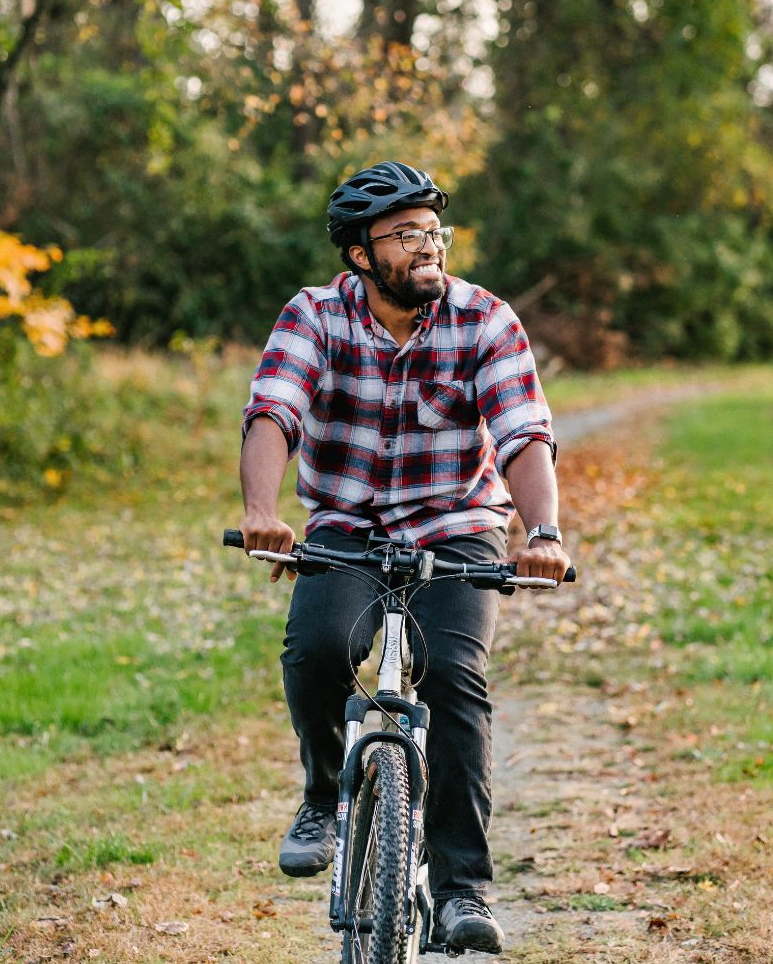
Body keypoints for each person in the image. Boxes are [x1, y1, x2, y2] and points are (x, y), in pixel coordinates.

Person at [238, 160, 570, 954]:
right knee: (315, 649)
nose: (430, 247)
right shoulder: (315, 315)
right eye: (407, 234)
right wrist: (261, 512)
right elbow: (275, 411)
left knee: (455, 678)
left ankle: (462, 889)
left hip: (457, 525)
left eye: (434, 231)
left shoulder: (483, 319)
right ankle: (323, 794)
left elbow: (523, 431)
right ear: (361, 254)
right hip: (346, 525)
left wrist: (545, 533)